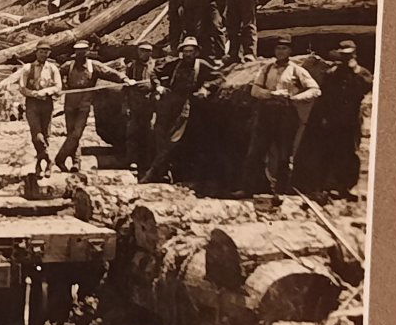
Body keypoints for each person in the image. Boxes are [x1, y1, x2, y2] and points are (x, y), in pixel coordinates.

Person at [239, 35, 322, 201]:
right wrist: (270, 94)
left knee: (284, 153)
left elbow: (315, 90)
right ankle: (248, 189)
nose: (280, 51)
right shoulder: (267, 68)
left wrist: (294, 97)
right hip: (266, 114)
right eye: (278, 48)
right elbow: (254, 90)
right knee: (256, 151)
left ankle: (281, 192)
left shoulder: (297, 70)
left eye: (284, 48)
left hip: (286, 115)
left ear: (290, 51)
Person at [142, 37, 221, 183]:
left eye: (191, 51)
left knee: (173, 140)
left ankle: (153, 173)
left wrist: (206, 88)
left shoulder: (201, 65)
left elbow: (219, 78)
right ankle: (163, 173)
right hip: (169, 103)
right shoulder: (174, 64)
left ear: (196, 52)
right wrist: (158, 86)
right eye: (185, 51)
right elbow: (154, 73)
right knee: (160, 136)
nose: (188, 54)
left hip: (186, 105)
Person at [56, 41, 135, 173]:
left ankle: (60, 158)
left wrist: (124, 79)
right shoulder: (68, 66)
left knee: (77, 133)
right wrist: (61, 86)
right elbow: (55, 75)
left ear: (88, 51)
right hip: (70, 102)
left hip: (85, 103)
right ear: (74, 52)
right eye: (77, 51)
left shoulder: (94, 66)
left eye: (83, 50)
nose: (80, 53)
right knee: (71, 133)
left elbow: (110, 73)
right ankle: (76, 162)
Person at [309, 40, 373, 198]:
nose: (346, 58)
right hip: (333, 120)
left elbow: (367, 87)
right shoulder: (333, 73)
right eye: (343, 55)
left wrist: (355, 70)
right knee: (330, 152)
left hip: (351, 120)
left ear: (354, 54)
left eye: (349, 55)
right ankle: (328, 187)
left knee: (350, 153)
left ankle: (348, 187)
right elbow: (324, 96)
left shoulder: (361, 73)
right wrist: (323, 117)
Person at [19, 41, 63, 178]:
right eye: (41, 51)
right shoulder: (27, 68)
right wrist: (33, 94)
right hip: (32, 104)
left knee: (46, 134)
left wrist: (45, 92)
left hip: (47, 103)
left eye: (46, 52)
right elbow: (22, 87)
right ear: (36, 52)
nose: (43, 54)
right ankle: (48, 158)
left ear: (49, 53)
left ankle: (41, 163)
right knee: (36, 135)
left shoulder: (52, 68)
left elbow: (58, 87)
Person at [123, 41, 161, 176]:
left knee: (151, 132)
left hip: (151, 105)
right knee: (132, 133)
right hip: (135, 105)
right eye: (142, 50)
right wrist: (126, 106)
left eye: (148, 50)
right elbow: (125, 89)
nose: (145, 53)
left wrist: (151, 87)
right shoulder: (131, 66)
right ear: (138, 51)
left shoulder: (156, 65)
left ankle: (149, 162)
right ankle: (133, 161)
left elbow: (159, 82)